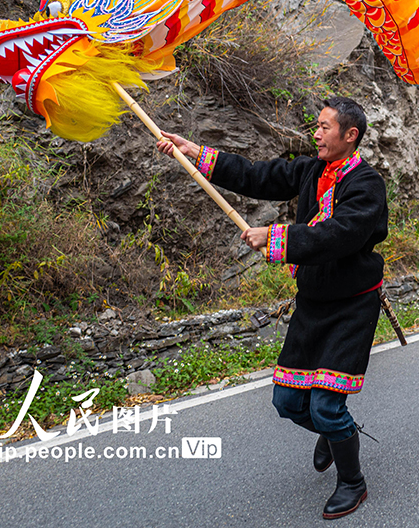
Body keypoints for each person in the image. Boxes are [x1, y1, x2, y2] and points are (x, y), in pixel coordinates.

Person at [158, 97, 387, 520]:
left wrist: (278, 237)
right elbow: (256, 175)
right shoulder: (310, 170)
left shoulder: (367, 184)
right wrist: (194, 152)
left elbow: (341, 235)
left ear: (350, 135)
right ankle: (338, 431)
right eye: (316, 126)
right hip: (313, 302)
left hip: (352, 305)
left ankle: (352, 482)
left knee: (325, 406)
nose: (316, 134)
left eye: (324, 127)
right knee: (288, 402)